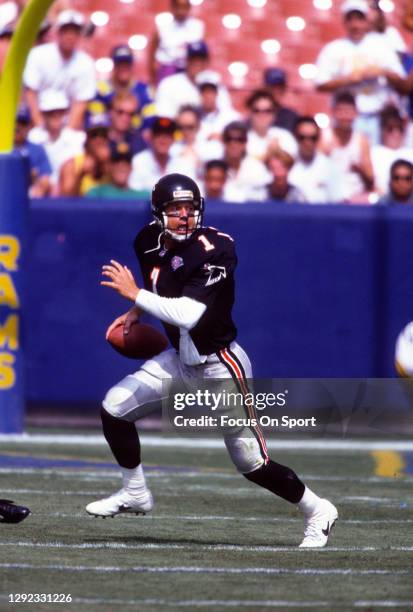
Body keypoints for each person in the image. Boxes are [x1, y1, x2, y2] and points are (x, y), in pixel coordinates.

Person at [86, 172, 338, 548]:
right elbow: (159, 285)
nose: (185, 216)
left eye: (190, 208)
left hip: (220, 366)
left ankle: (318, 509)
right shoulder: (147, 241)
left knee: (252, 464)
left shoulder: (216, 248)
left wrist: (135, 296)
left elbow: (188, 313)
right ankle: (135, 491)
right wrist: (137, 312)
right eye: (175, 209)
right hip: (179, 360)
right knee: (114, 408)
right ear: (159, 213)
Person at [315, 0, 407, 144]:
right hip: (347, 119)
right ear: (344, 22)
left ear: (366, 21)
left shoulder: (381, 45)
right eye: (350, 19)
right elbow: (320, 83)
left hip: (378, 116)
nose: (355, 25)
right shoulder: (334, 48)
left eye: (359, 19)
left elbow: (401, 80)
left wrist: (381, 72)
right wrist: (348, 79)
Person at [23, 10, 96, 130]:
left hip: (67, 124)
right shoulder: (38, 55)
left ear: (79, 35)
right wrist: (39, 126)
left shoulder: (86, 63)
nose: (70, 36)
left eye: (74, 32)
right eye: (66, 31)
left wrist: (67, 133)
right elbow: (31, 93)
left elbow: (81, 101)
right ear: (58, 32)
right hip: (37, 121)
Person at [155, 41, 231, 119]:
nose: (196, 63)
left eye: (201, 59)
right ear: (186, 60)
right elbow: (163, 116)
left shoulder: (214, 81)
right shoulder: (169, 84)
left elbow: (226, 112)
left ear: (207, 61)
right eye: (193, 59)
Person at [320, 91, 373, 203]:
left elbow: (371, 179)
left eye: (348, 112)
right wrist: (324, 156)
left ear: (355, 113)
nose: (345, 116)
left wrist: (360, 170)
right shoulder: (324, 137)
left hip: (355, 199)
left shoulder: (361, 140)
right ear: (333, 112)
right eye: (341, 111)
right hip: (328, 198)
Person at [28, 89, 85, 193]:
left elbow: (78, 168)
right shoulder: (33, 136)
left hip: (68, 192)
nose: (56, 115)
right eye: (51, 112)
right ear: (43, 113)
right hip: (39, 189)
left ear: (65, 112)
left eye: (59, 112)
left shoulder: (77, 138)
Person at [91, 44, 155, 136]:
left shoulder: (145, 91)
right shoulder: (101, 90)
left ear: (132, 65)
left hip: (136, 139)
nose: (123, 68)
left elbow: (150, 123)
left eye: (126, 64)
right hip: (107, 137)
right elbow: (95, 119)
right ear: (114, 65)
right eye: (120, 64)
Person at [148, 0, 205, 84]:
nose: (181, 11)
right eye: (178, 7)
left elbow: (202, 54)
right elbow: (152, 54)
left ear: (189, 8)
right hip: (167, 70)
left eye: (184, 7)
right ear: (172, 8)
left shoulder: (197, 27)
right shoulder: (163, 27)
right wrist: (153, 77)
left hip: (189, 70)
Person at [59, 114, 111, 197]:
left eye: (103, 135)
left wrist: (106, 166)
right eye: (94, 135)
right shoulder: (72, 165)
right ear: (87, 138)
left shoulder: (112, 163)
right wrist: (81, 175)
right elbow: (66, 201)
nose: (99, 139)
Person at [128, 117, 180, 197]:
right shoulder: (139, 161)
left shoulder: (181, 163)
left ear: (173, 139)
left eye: (167, 135)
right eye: (158, 135)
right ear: (151, 137)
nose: (163, 140)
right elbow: (134, 193)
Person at [221, 121, 270, 203]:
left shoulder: (257, 168)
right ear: (223, 142)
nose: (233, 144)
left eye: (239, 140)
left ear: (245, 143)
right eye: (229, 139)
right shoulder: (215, 168)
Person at [289, 117, 333, 204]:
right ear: (294, 136)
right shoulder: (286, 166)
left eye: (313, 138)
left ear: (318, 137)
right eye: (302, 137)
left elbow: (340, 202)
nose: (307, 142)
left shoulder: (330, 167)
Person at [371, 105, 413, 195]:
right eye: (390, 129)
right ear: (382, 130)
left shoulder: (411, 153)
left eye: (400, 129)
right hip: (380, 200)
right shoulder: (373, 153)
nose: (396, 133)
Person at [246, 89, 297, 161]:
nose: (262, 115)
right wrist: (269, 154)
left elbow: (293, 163)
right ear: (250, 113)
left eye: (267, 111)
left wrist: (279, 152)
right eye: (257, 110)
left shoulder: (284, 136)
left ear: (274, 114)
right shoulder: (241, 139)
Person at [14, 106, 52, 198]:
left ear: (29, 127)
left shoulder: (37, 150)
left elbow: (45, 181)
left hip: (30, 196)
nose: (17, 127)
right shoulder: (2, 149)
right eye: (13, 122)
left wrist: (34, 178)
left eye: (22, 123)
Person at [107, 91, 147, 157]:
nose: (125, 118)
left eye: (131, 114)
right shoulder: (100, 140)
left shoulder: (138, 143)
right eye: (120, 112)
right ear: (110, 112)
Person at [263, 67, 299, 133]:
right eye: (273, 87)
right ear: (265, 88)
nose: (277, 90)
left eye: (280, 87)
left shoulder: (291, 117)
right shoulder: (256, 114)